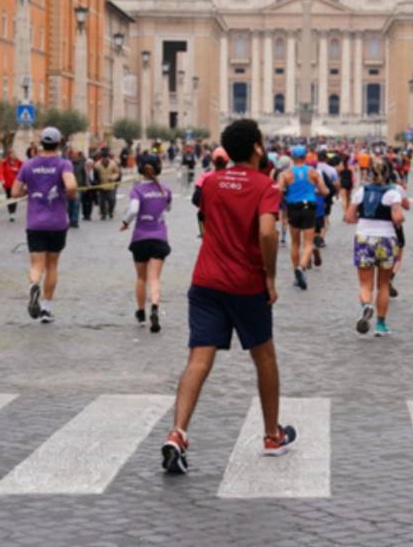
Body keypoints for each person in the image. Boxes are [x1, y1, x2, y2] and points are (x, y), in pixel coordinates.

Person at [161, 118, 295, 475]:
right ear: (256, 147)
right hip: (246, 284)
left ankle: (178, 433)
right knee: (264, 357)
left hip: (205, 281)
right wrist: (269, 274)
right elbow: (267, 232)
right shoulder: (265, 186)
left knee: (198, 360)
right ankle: (271, 435)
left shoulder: (211, 182)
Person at [11, 127, 77, 324]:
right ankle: (46, 308)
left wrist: (29, 192)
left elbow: (15, 192)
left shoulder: (29, 165)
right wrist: (70, 194)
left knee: (36, 264)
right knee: (52, 265)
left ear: (41, 143)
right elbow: (72, 186)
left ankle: (33, 286)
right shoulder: (63, 164)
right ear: (58, 143)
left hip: (35, 223)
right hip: (57, 223)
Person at [346, 157, 406, 337]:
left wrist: (363, 220)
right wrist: (400, 218)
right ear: (388, 173)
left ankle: (367, 306)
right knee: (384, 285)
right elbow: (397, 218)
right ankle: (380, 325)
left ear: (370, 173)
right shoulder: (393, 193)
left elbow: (349, 217)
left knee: (365, 283)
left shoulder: (361, 191)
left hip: (364, 237)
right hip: (386, 239)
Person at [122, 153, 173, 332]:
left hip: (140, 239)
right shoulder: (165, 190)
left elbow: (133, 210)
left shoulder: (137, 190)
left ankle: (141, 312)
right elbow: (168, 208)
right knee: (155, 278)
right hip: (159, 238)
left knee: (141, 278)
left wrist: (125, 223)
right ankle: (155, 307)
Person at [277, 145, 328, 291]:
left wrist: (286, 198)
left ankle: (295, 274)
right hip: (309, 208)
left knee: (295, 243)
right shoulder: (313, 172)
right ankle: (301, 267)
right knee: (308, 243)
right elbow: (324, 191)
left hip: (293, 208)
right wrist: (317, 190)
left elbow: (278, 190)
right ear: (305, 157)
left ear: (292, 158)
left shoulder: (285, 174)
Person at [193, 147, 230, 238]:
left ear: (213, 161)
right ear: (227, 161)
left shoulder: (205, 177)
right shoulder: (232, 177)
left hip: (207, 218)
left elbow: (196, 199)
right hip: (227, 219)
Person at [95, 150, 122, 220]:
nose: (105, 159)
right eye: (103, 158)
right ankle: (103, 214)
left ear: (108, 158)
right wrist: (96, 182)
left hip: (111, 185)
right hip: (101, 186)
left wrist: (113, 177)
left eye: (106, 158)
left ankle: (110, 211)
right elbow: (95, 175)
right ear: (101, 158)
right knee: (102, 201)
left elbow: (117, 173)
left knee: (112, 199)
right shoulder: (97, 165)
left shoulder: (113, 164)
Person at [0, 150, 23, 222]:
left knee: (14, 198)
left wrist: (17, 170)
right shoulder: (4, 163)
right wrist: (2, 180)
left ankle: (13, 213)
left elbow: (23, 171)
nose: (14, 155)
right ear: (9, 155)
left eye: (14, 154)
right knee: (8, 198)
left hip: (16, 184)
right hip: (7, 184)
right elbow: (1, 172)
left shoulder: (19, 162)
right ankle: (10, 212)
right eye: (12, 154)